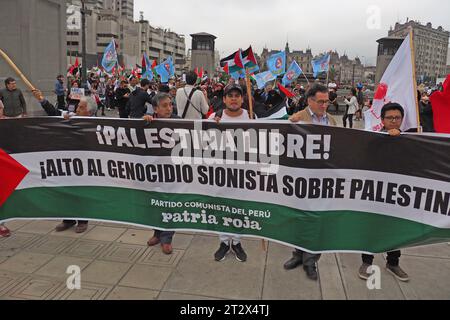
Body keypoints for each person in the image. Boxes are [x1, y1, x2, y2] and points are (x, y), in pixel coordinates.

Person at [285, 84, 337, 281]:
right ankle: (297, 255)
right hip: (300, 179)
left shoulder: (331, 121)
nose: (324, 105)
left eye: (327, 101)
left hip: (322, 181)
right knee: (300, 219)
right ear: (310, 101)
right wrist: (289, 122)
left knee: (316, 222)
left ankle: (310, 261)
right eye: (321, 101)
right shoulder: (298, 118)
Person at [31, 89, 98, 233]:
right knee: (67, 191)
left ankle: (83, 220)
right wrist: (42, 99)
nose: (77, 109)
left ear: (89, 112)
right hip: (67, 163)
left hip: (85, 165)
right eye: (78, 106)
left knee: (82, 193)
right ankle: (68, 219)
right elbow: (54, 112)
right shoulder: (70, 117)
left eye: (81, 107)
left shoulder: (96, 124)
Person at [358, 103, 409, 282]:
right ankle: (367, 262)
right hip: (376, 193)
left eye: (397, 118)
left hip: (399, 194)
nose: (394, 121)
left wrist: (402, 138)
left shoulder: (411, 139)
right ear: (382, 120)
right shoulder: (374, 139)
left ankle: (393, 262)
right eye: (390, 118)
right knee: (372, 227)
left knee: (394, 228)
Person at [209, 84, 249, 263]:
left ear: (242, 99)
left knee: (240, 209)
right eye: (230, 95)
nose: (234, 98)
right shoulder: (214, 117)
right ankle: (224, 242)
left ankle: (237, 241)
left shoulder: (252, 117)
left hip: (243, 174)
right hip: (220, 174)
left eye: (237, 95)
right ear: (224, 99)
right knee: (222, 208)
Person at [143, 93, 180, 254]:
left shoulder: (180, 122)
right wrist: (143, 123)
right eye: (164, 105)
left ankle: (167, 238)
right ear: (155, 109)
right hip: (154, 171)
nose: (169, 108)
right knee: (155, 203)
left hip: (173, 171)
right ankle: (157, 233)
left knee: (169, 203)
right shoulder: (148, 121)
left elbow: (200, 128)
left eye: (170, 104)